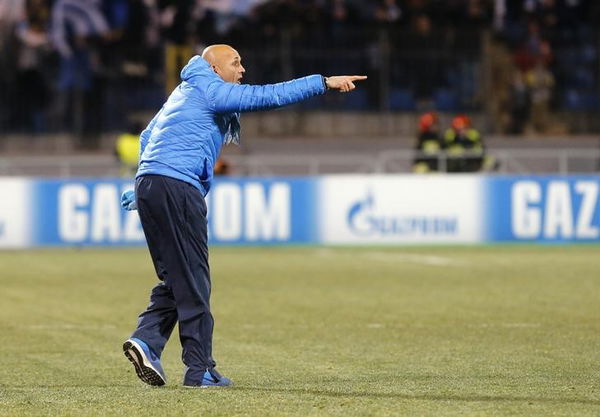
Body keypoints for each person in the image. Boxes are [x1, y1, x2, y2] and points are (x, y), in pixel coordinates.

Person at [120, 44, 366, 388]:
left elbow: (149, 135)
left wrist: (145, 181)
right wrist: (322, 83)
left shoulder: (186, 89)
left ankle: (147, 340)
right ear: (215, 69)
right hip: (176, 186)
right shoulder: (211, 89)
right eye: (235, 62)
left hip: (153, 183)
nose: (242, 69)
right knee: (194, 279)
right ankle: (200, 370)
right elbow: (267, 96)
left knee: (178, 278)